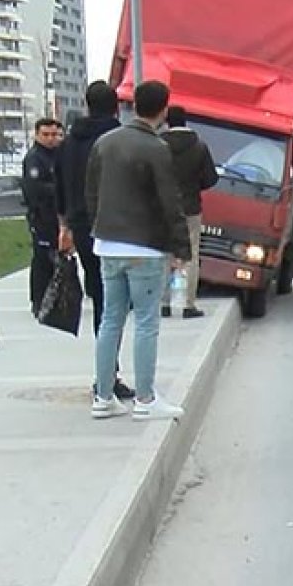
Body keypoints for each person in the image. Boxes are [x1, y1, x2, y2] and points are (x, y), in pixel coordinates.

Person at [85, 80, 191, 421]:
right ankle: (145, 398)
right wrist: (181, 247)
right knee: (146, 321)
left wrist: (97, 228)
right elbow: (169, 201)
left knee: (110, 319)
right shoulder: (156, 148)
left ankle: (103, 395)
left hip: (107, 244)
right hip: (145, 246)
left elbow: (91, 192)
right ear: (163, 108)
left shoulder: (104, 143)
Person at [56, 81, 134, 400]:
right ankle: (107, 377)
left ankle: (106, 372)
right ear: (115, 106)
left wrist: (65, 226)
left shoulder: (69, 143)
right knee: (115, 304)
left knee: (102, 298)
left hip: (80, 225)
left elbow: (59, 185)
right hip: (114, 228)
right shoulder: (118, 139)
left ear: (87, 105)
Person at [160, 105, 218, 319]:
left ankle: (164, 303)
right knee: (191, 255)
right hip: (191, 207)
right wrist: (194, 186)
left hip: (163, 208)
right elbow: (211, 179)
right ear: (186, 121)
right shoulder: (199, 147)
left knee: (165, 254)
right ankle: (188, 304)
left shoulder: (158, 145)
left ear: (167, 121)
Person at [22, 118, 63, 312]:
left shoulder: (61, 154)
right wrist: (60, 188)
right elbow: (34, 188)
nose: (50, 139)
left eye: (54, 134)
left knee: (59, 257)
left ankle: (56, 297)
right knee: (42, 259)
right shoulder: (34, 158)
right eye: (45, 135)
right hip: (42, 215)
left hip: (60, 214)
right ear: (37, 135)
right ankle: (38, 300)